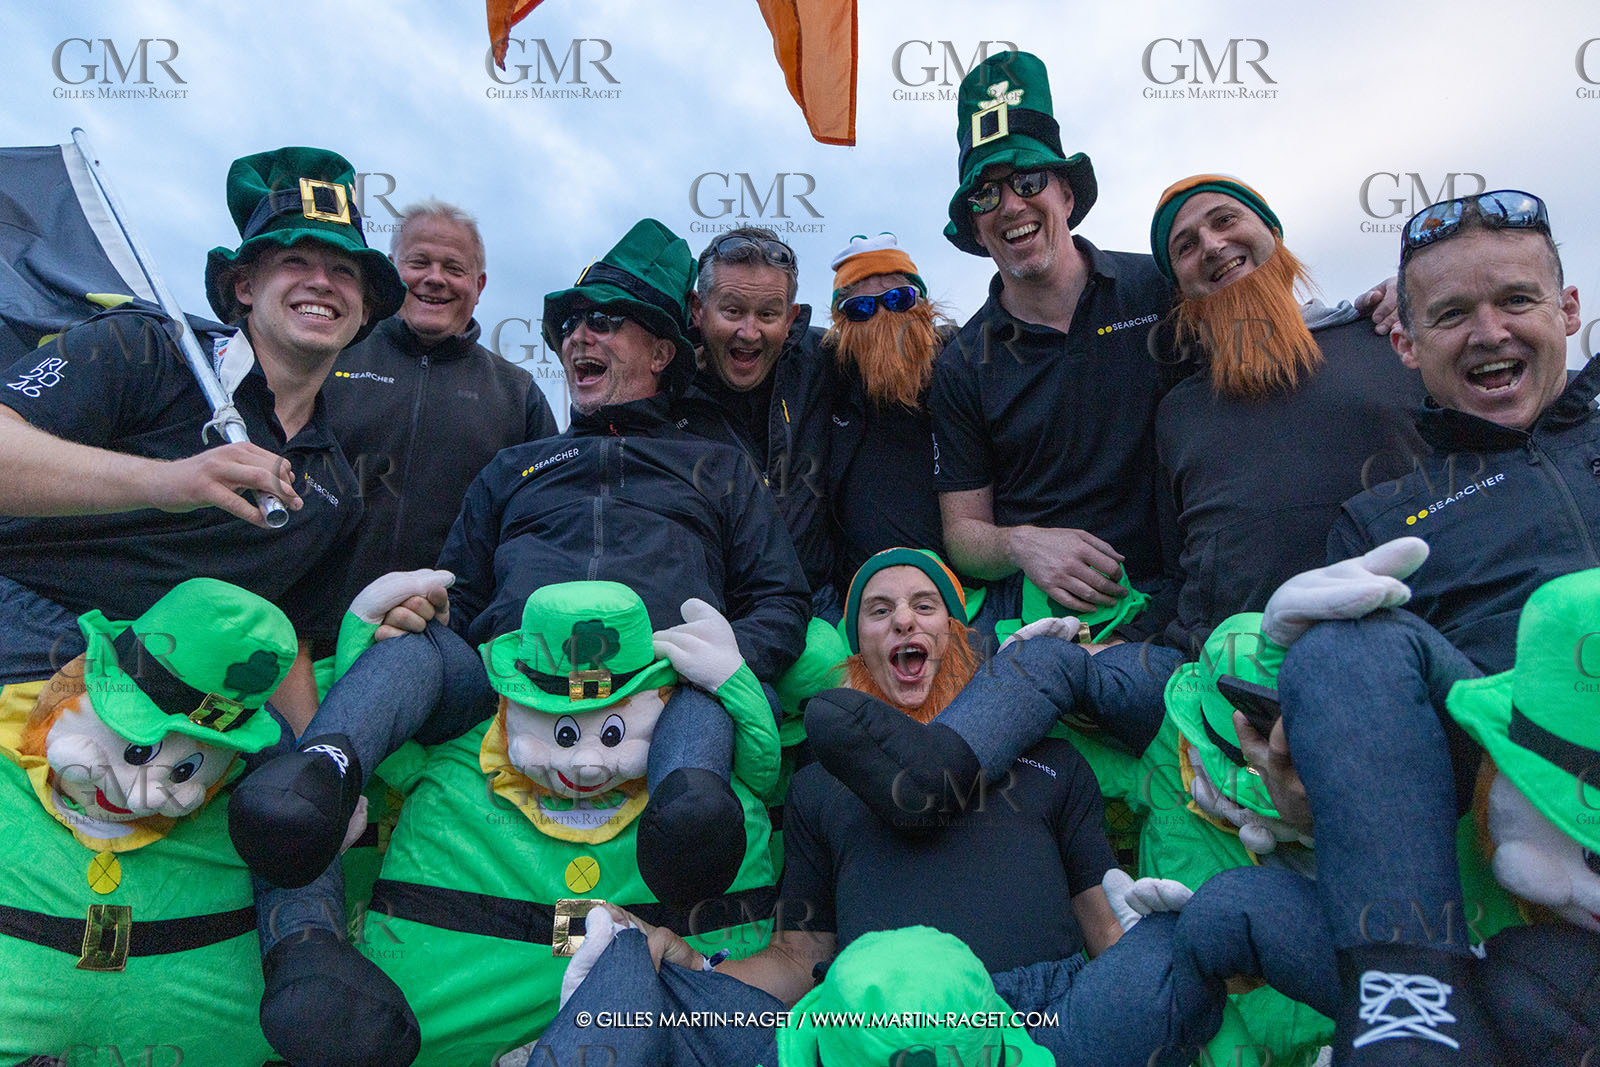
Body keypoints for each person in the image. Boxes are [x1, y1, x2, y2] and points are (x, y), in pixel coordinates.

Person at [227, 219, 810, 910]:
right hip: (513, 676)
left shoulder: (717, 467)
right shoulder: (515, 465)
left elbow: (781, 598)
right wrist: (430, 613)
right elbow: (463, 597)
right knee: (415, 649)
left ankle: (690, 812)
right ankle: (322, 773)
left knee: (705, 694)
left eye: (603, 321)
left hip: (660, 673)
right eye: (569, 325)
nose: (577, 337)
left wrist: (725, 654)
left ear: (660, 351)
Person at [1259, 189, 1595, 1061]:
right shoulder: (1382, 517)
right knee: (1343, 633)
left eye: (1516, 300)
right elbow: (1365, 717)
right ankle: (1410, 1004)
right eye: (1452, 315)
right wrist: (1322, 769)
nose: (1489, 332)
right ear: (1405, 345)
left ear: (1569, 309)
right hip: (1523, 778)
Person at [0, 147, 403, 731]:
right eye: (295, 260)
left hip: (172, 710)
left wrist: (309, 760)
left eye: (345, 271)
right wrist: (166, 481)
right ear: (243, 286)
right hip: (28, 646)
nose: (322, 281)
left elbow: (283, 632)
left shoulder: (338, 487)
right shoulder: (142, 347)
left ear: (364, 309)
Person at [1150, 174, 1428, 650]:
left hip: (1425, 634)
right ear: (1180, 290)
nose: (1213, 246)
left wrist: (1429, 304)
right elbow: (1176, 566)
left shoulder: (1392, 340)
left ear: (1273, 235)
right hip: (1244, 677)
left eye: (1225, 219)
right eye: (1186, 247)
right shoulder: (1178, 415)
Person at [322, 198, 557, 609]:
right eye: (419, 263)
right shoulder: (329, 357)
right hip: (307, 630)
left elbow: (543, 522)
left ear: (479, 286)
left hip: (447, 630)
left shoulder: (518, 394)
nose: (435, 279)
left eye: (454, 268)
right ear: (391, 271)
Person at [679, 227, 837, 615]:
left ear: (790, 317)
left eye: (767, 314)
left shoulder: (827, 361)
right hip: (711, 615)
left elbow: (917, 347)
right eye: (732, 311)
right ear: (698, 310)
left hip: (821, 606)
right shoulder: (665, 388)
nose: (749, 333)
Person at [820, 233, 950, 600]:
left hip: (961, 587)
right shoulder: (825, 375)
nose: (882, 315)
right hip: (857, 598)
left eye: (898, 299)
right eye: (861, 308)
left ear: (922, 304)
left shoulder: (960, 364)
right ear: (840, 321)